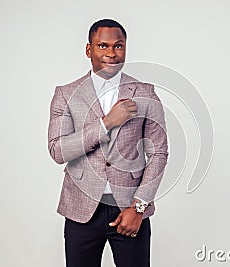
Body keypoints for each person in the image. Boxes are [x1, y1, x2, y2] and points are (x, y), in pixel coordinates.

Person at [47, 18, 168, 267]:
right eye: (102, 46)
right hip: (81, 212)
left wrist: (138, 208)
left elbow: (159, 153)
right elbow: (58, 150)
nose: (111, 53)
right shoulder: (66, 94)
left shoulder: (145, 92)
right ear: (89, 49)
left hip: (130, 211)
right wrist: (106, 124)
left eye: (118, 46)